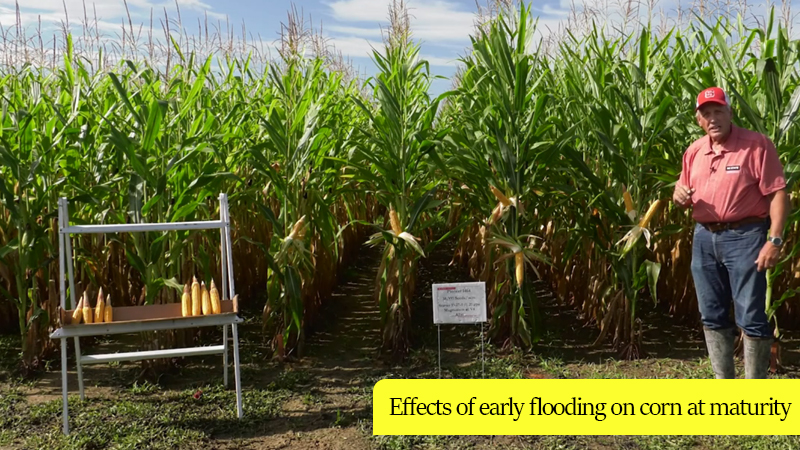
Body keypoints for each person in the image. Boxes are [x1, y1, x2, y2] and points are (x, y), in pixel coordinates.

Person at [673, 87, 790, 379]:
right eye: (706, 114)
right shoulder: (694, 151)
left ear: (730, 112)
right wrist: (678, 194)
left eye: (718, 111)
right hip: (703, 238)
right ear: (699, 119)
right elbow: (683, 191)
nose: (713, 119)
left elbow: (777, 193)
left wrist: (774, 240)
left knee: (751, 316)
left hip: (746, 237)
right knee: (711, 314)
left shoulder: (757, 145)